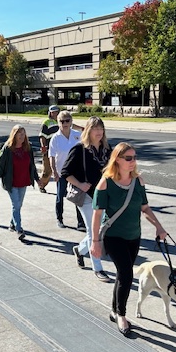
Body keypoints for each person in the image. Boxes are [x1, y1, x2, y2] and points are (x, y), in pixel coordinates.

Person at [90, 142, 168, 336]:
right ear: (117, 159)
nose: (133, 161)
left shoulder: (138, 181)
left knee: (121, 275)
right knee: (126, 274)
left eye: (134, 157)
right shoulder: (105, 183)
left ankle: (114, 310)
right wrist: (95, 241)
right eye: (129, 158)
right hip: (113, 236)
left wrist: (158, 226)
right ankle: (122, 316)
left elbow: (145, 208)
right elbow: (97, 215)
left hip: (134, 235)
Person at [60, 116, 112, 282]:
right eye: (95, 128)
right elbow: (65, 173)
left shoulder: (106, 149)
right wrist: (80, 184)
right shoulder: (79, 149)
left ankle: (81, 250)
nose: (98, 132)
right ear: (88, 130)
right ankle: (98, 268)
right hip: (87, 196)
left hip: (103, 195)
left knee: (101, 229)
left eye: (100, 128)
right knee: (93, 230)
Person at [0, 125, 39, 241]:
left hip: (23, 181)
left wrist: (37, 179)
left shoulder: (28, 148)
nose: (22, 136)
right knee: (16, 205)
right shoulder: (8, 149)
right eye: (20, 134)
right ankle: (19, 229)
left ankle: (12, 224)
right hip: (11, 182)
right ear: (14, 135)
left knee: (18, 205)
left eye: (24, 134)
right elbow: (0, 166)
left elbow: (32, 166)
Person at [48, 110, 85, 230]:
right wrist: (54, 171)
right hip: (61, 172)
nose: (64, 123)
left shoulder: (76, 135)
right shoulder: (56, 138)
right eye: (61, 121)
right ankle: (59, 218)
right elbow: (51, 155)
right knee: (60, 196)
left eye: (67, 120)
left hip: (75, 172)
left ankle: (81, 222)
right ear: (58, 122)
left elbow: (83, 151)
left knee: (78, 197)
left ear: (71, 122)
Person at [37, 105, 60, 193]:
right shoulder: (46, 122)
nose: (55, 114)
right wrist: (43, 146)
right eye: (53, 112)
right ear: (50, 112)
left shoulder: (61, 121)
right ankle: (41, 185)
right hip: (49, 150)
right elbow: (42, 136)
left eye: (56, 112)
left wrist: (81, 128)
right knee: (47, 171)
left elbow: (71, 126)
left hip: (59, 150)